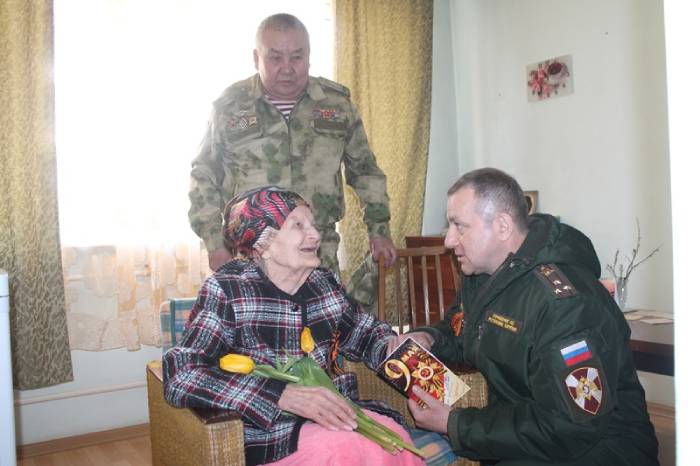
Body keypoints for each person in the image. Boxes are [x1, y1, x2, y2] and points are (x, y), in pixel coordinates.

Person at [393, 168, 659, 465]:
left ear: (502, 226)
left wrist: (455, 424)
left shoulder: (564, 305)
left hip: (600, 449)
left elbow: (571, 426)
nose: (449, 240)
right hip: (534, 433)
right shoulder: (483, 277)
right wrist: (429, 338)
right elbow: (461, 331)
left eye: (459, 226)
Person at [164, 187, 422, 466]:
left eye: (312, 224)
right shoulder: (228, 290)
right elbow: (182, 374)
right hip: (270, 434)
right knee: (341, 451)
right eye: (298, 225)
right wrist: (278, 395)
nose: (315, 235)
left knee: (396, 443)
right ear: (262, 244)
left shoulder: (324, 284)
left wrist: (393, 346)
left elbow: (366, 334)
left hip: (336, 417)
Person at [188, 13, 397, 306]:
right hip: (252, 259)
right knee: (255, 334)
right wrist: (214, 244)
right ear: (256, 58)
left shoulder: (336, 105)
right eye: (275, 58)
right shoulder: (230, 108)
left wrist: (379, 231)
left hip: (318, 255)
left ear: (309, 56)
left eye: (297, 57)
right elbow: (203, 176)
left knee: (324, 332)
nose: (287, 68)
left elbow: (365, 171)